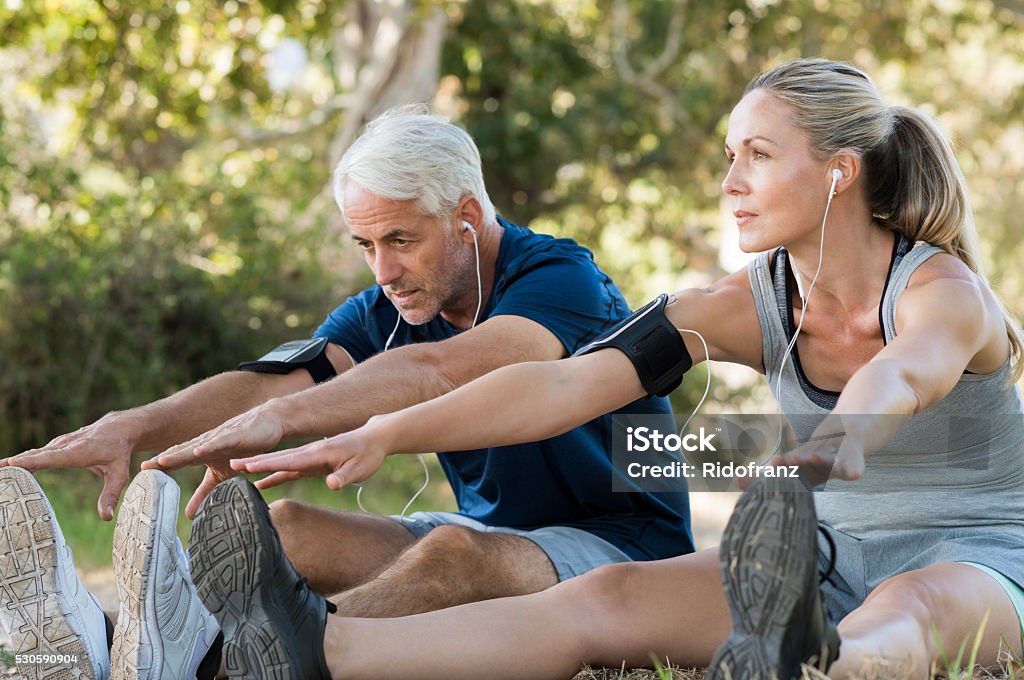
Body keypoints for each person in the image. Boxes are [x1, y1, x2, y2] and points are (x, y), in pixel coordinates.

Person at [189, 58, 1024, 680]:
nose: (731, 182)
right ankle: (320, 649)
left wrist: (827, 445)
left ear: (839, 171)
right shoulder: (738, 305)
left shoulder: (944, 291)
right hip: (824, 551)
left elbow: (903, 376)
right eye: (729, 156)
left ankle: (809, 663)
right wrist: (379, 433)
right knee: (605, 597)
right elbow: (562, 385)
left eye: (759, 156)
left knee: (907, 611)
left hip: (975, 554)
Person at [0, 106, 692, 678]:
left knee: (451, 555)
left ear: (467, 216)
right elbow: (274, 380)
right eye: (365, 244)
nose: (384, 269)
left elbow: (445, 371)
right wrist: (137, 427)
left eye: (400, 239)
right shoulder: (389, 307)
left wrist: (283, 418)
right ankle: (100, 640)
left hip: (624, 546)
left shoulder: (561, 278)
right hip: (500, 536)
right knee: (287, 528)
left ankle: (246, 664)